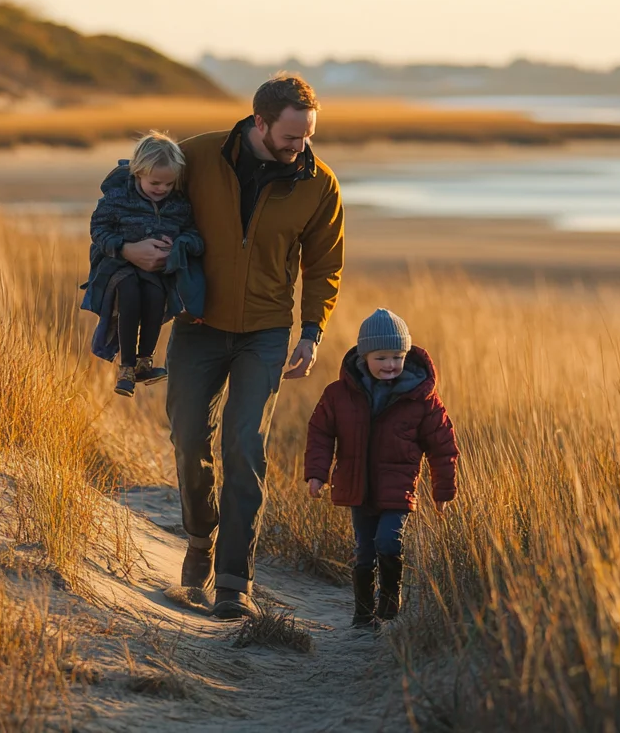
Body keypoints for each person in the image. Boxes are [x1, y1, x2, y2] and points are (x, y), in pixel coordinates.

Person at [157, 75, 345, 620]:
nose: (300, 146)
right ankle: (200, 537)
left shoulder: (319, 183)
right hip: (197, 322)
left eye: (308, 135)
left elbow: (324, 267)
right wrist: (131, 245)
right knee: (188, 434)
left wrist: (311, 332)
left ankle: (234, 581)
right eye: (291, 135)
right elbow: (135, 193)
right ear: (259, 122)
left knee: (244, 444)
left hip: (265, 332)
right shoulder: (197, 156)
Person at [304, 309, 459, 629]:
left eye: (397, 357)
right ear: (365, 356)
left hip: (398, 487)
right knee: (363, 550)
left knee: (388, 541)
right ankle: (362, 615)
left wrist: (442, 491)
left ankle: (390, 603)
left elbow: (443, 446)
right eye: (382, 357)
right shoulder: (339, 395)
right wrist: (317, 473)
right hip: (357, 487)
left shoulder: (422, 398)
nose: (390, 364)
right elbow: (320, 432)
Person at [80, 132, 199, 396]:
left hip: (156, 269)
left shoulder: (178, 204)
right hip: (118, 265)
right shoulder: (118, 197)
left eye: (169, 184)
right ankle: (126, 368)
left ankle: (145, 361)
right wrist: (122, 246)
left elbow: (192, 232)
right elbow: (98, 229)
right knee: (130, 294)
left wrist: (178, 246)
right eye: (155, 182)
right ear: (138, 172)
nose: (162, 189)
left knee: (156, 296)